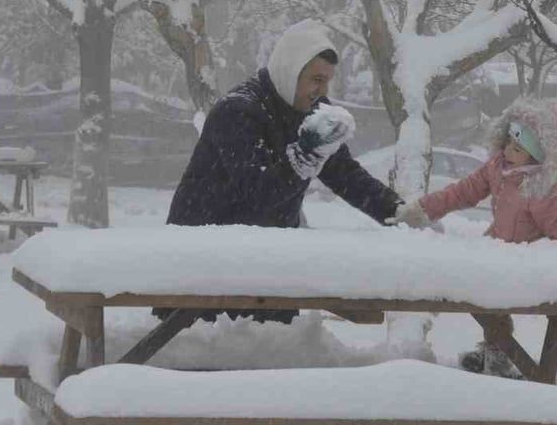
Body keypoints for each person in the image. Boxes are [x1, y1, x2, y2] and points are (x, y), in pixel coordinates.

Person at [161, 19, 404, 324]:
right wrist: (304, 157)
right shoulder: (237, 111)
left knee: (272, 359)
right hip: (205, 263)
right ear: (290, 71)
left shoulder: (311, 111)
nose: (321, 90)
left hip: (268, 261)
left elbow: (344, 173)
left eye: (326, 81)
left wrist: (397, 212)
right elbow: (257, 193)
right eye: (315, 79)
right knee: (217, 357)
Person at [389, 97, 557, 377]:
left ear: (539, 156)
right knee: (484, 298)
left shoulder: (545, 186)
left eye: (517, 148)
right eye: (507, 142)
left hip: (528, 262)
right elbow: (463, 192)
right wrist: (423, 209)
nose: (507, 151)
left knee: (492, 300)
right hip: (497, 250)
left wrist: (546, 203)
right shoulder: (497, 167)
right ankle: (497, 350)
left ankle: (509, 357)